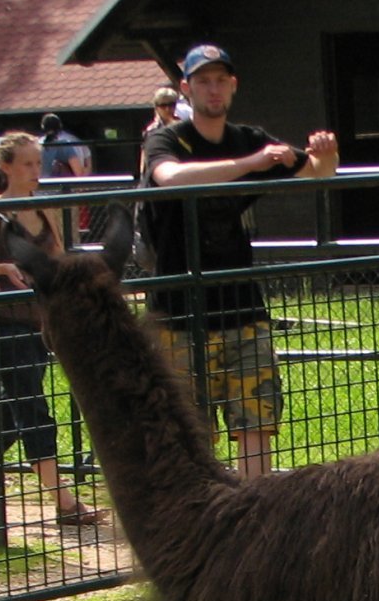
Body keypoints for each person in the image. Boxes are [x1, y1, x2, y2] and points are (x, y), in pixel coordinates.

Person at [142, 43, 338, 477]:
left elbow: (318, 171)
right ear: (186, 89)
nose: (213, 90)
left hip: (242, 307)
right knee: (189, 435)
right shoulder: (168, 139)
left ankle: (254, 513)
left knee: (257, 419)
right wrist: (250, 164)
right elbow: (169, 178)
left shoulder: (249, 137)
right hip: (179, 314)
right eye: (203, 81)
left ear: (232, 87)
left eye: (220, 81)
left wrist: (326, 153)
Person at [0, 133, 105, 527]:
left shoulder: (44, 209)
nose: (36, 172)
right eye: (27, 164)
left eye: (39, 163)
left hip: (45, 324)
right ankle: (65, 505)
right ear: (5, 167)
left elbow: (60, 260)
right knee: (34, 412)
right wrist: (0, 269)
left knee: (11, 413)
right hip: (7, 324)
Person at [39, 113, 92, 180]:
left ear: (42, 126)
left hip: (41, 187)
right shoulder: (65, 145)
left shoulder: (37, 145)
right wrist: (88, 164)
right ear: (60, 126)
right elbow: (80, 174)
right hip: (59, 187)